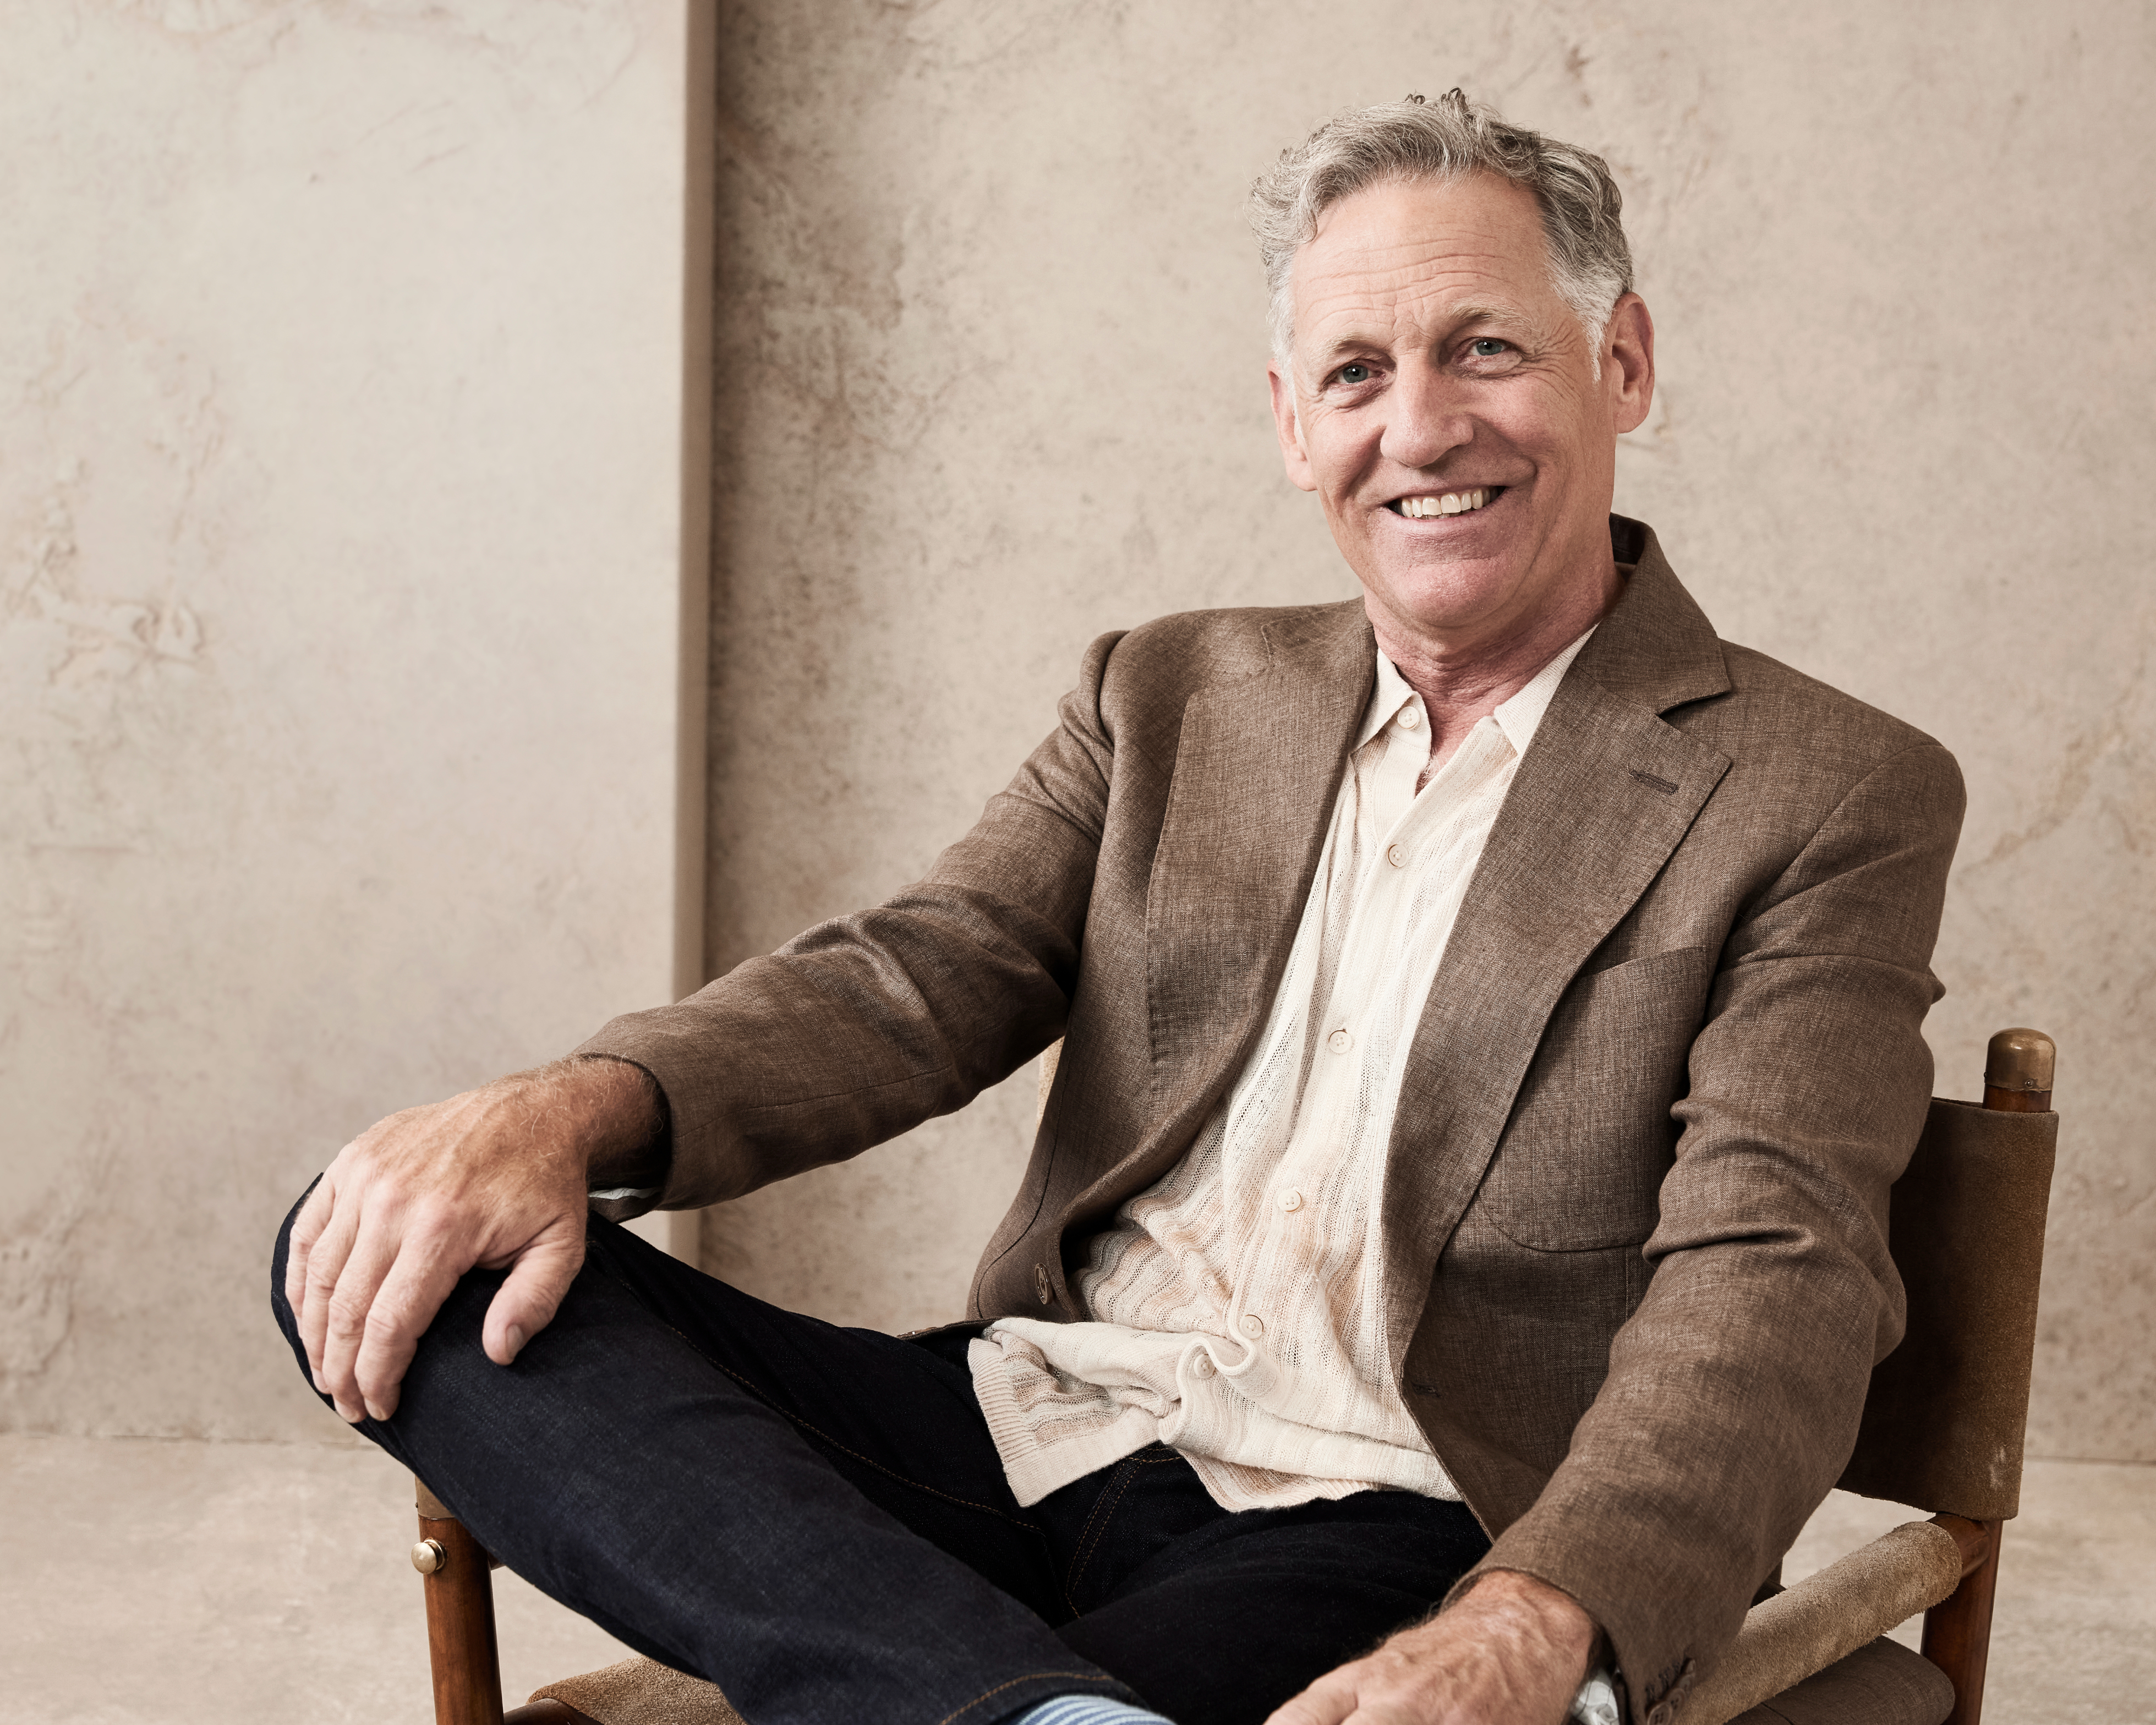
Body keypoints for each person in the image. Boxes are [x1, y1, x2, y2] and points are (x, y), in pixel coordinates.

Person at [273, 91, 1962, 1725]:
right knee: (381, 1246)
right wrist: (566, 1113)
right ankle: (1015, 1707)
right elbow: (911, 983)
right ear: (1294, 426)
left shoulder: (1822, 789)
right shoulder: (1168, 694)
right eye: (1358, 373)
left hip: (1414, 1513)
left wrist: (1539, 1623)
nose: (1422, 426)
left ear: (1625, 364)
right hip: (1029, 1426)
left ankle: (948, 1687)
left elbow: (1779, 1267)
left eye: (1488, 348)